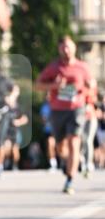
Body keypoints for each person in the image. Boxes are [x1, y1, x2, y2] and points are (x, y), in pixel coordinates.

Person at [36, 35, 94, 195]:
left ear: (74, 48)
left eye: (69, 46)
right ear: (59, 49)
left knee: (74, 142)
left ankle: (70, 179)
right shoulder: (54, 67)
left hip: (77, 109)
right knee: (61, 146)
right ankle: (67, 162)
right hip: (58, 110)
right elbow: (38, 85)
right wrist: (55, 85)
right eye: (63, 47)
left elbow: (91, 84)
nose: (66, 50)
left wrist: (90, 94)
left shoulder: (83, 67)